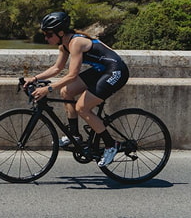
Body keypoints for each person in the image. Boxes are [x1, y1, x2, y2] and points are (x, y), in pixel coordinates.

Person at [23, 11, 130, 167]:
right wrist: (34, 78)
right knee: (66, 91)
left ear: (60, 32)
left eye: (48, 34)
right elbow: (56, 68)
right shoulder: (64, 46)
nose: (46, 38)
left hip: (115, 71)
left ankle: (111, 144)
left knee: (82, 108)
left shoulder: (76, 43)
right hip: (101, 70)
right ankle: (74, 135)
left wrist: (48, 89)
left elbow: (72, 75)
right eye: (45, 34)